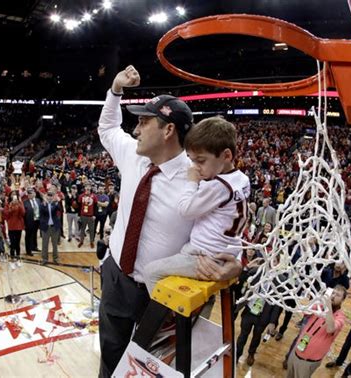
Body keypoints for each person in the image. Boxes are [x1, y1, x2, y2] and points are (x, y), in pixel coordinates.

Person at [97, 65, 242, 377]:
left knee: (153, 368)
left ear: (168, 130)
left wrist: (237, 263)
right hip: (117, 279)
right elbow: (108, 129)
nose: (136, 129)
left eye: (144, 121)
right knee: (110, 359)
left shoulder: (201, 178)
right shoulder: (133, 155)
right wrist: (115, 90)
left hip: (163, 293)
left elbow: (229, 226)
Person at [144, 117, 250, 295]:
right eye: (192, 160)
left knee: (151, 272)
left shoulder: (217, 185)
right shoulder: (242, 179)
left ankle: (168, 320)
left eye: (200, 161)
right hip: (224, 253)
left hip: (205, 257)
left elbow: (186, 210)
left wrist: (191, 182)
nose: (195, 167)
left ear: (226, 156)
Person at [286, 285, 348, 378]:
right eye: (333, 293)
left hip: (309, 361)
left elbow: (330, 328)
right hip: (297, 350)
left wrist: (328, 306)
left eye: (338, 295)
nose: (333, 296)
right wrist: (317, 299)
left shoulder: (340, 317)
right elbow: (305, 311)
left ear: (342, 300)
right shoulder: (320, 306)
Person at [39, 187, 61, 265]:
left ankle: (56, 258)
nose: (49, 197)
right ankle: (44, 259)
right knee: (45, 244)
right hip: (46, 227)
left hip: (54, 227)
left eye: (51, 195)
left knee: (54, 244)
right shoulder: (42, 204)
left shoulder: (55, 204)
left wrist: (58, 201)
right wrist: (44, 203)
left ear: (53, 196)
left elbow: (60, 209)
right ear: (46, 196)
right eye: (48, 195)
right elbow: (41, 215)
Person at [23, 188, 41, 256]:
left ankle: (34, 247)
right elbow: (23, 214)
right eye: (29, 194)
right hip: (29, 222)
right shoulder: (25, 202)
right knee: (28, 236)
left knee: (35, 234)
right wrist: (24, 224)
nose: (30, 195)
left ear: (34, 194)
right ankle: (28, 250)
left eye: (32, 193)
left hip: (37, 220)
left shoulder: (38, 200)